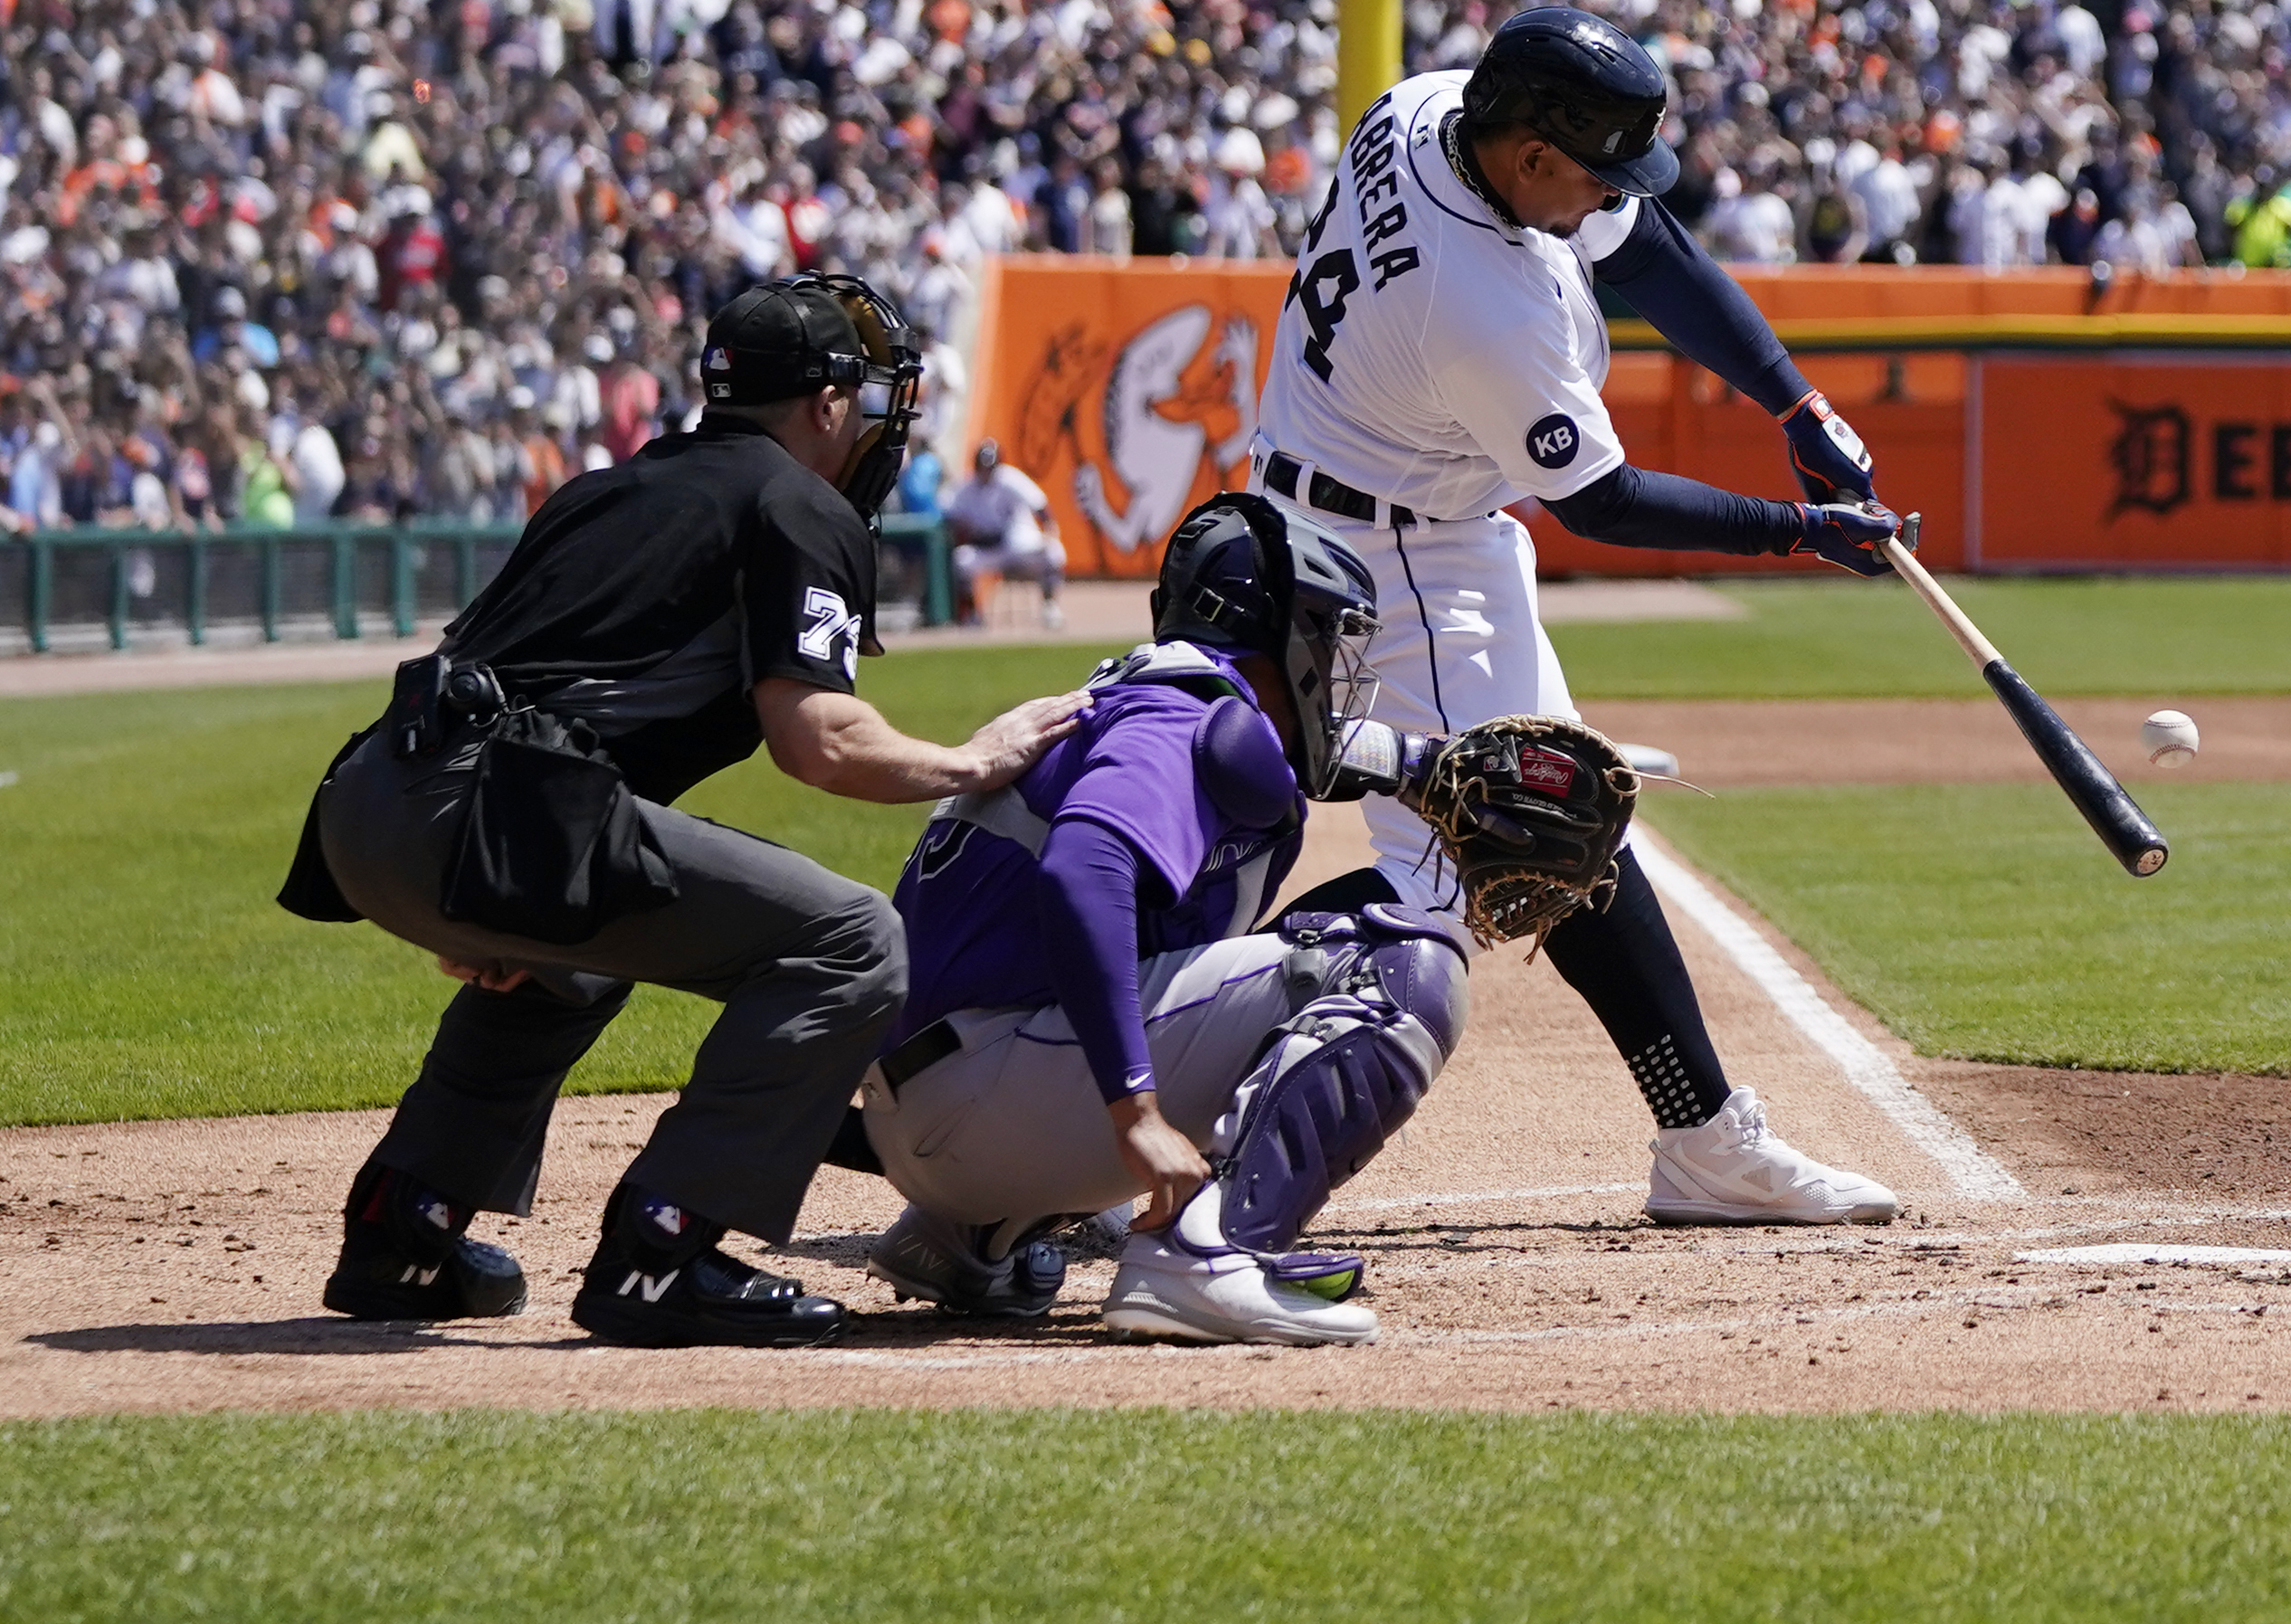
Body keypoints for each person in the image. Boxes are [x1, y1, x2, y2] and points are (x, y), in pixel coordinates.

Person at [279, 273, 1086, 1347]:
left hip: (368, 803)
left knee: (575, 960)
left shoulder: (605, 487)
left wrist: (497, 898)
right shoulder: (800, 500)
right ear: (829, 401)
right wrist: (971, 759)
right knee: (851, 941)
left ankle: (404, 1228)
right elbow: (819, 740)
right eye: (877, 394)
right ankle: (662, 1251)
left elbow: (510, 673)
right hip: (482, 813)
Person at [1248, 5, 1912, 1226]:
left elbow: (1647, 244)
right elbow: (1602, 500)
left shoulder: (1434, 106)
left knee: (1566, 818)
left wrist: (1793, 399)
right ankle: (1131, 1119)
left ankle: (1704, 1133)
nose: (1610, 189)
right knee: (1482, 865)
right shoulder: (1484, 299)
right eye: (1595, 167)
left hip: (1352, 506)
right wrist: (1798, 529)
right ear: (1533, 154)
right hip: (1399, 567)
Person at [850, 492, 1627, 1344]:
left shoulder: (1141, 696)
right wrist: (1135, 1115)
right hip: (989, 1102)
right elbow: (1085, 869)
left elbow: (1277, 761)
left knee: (1279, 929)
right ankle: (1210, 1252)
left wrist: (1420, 762)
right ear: (1281, 632)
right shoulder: (1179, 715)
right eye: (1325, 633)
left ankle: (977, 1237)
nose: (1334, 661)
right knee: (1412, 959)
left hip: (940, 1116)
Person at [944, 438, 1067, 630]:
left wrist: (1051, 529)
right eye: (982, 468)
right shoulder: (966, 487)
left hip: (1017, 544)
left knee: (1053, 551)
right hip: (988, 550)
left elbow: (1040, 506)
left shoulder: (1010, 480)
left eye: (990, 468)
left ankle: (1050, 606)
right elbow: (947, 511)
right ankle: (972, 614)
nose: (986, 472)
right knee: (962, 559)